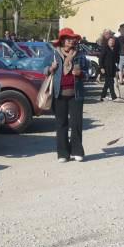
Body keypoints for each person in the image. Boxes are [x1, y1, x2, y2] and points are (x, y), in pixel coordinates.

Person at [45, 28, 88, 163]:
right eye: (69, 39)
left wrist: (81, 73)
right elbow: (43, 69)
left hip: (76, 94)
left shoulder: (80, 54)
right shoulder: (53, 54)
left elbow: (88, 73)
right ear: (62, 40)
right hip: (59, 95)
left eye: (73, 39)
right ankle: (63, 153)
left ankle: (77, 151)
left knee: (76, 123)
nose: (71, 41)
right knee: (61, 124)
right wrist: (51, 68)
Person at [99, 36, 119, 101]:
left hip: (112, 68)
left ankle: (102, 96)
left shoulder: (115, 49)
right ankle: (114, 96)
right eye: (110, 41)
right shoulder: (105, 48)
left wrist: (117, 66)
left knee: (107, 83)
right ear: (108, 42)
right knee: (111, 81)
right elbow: (101, 58)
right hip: (106, 68)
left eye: (113, 41)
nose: (111, 42)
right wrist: (101, 67)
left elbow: (116, 58)